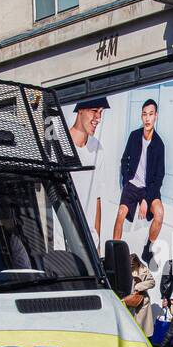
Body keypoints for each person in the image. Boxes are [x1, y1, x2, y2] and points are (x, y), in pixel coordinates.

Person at [113, 99, 167, 266]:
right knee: (121, 213)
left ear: (156, 116)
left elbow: (159, 177)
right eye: (144, 114)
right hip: (132, 185)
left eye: (151, 114)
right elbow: (124, 159)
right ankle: (115, 253)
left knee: (159, 213)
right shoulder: (134, 136)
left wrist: (146, 199)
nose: (147, 118)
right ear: (141, 116)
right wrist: (126, 180)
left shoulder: (159, 145)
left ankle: (147, 248)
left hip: (149, 188)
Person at [67, 96, 112, 240]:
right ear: (80, 111)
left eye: (101, 112)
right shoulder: (61, 145)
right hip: (65, 241)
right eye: (94, 111)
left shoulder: (97, 148)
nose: (98, 117)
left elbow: (96, 199)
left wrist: (96, 242)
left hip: (89, 241)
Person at [124, 253, 156, 337]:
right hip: (128, 300)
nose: (131, 265)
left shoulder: (144, 270)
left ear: (137, 262)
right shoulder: (125, 269)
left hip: (141, 301)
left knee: (142, 327)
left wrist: (139, 286)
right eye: (130, 263)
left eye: (133, 264)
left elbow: (152, 282)